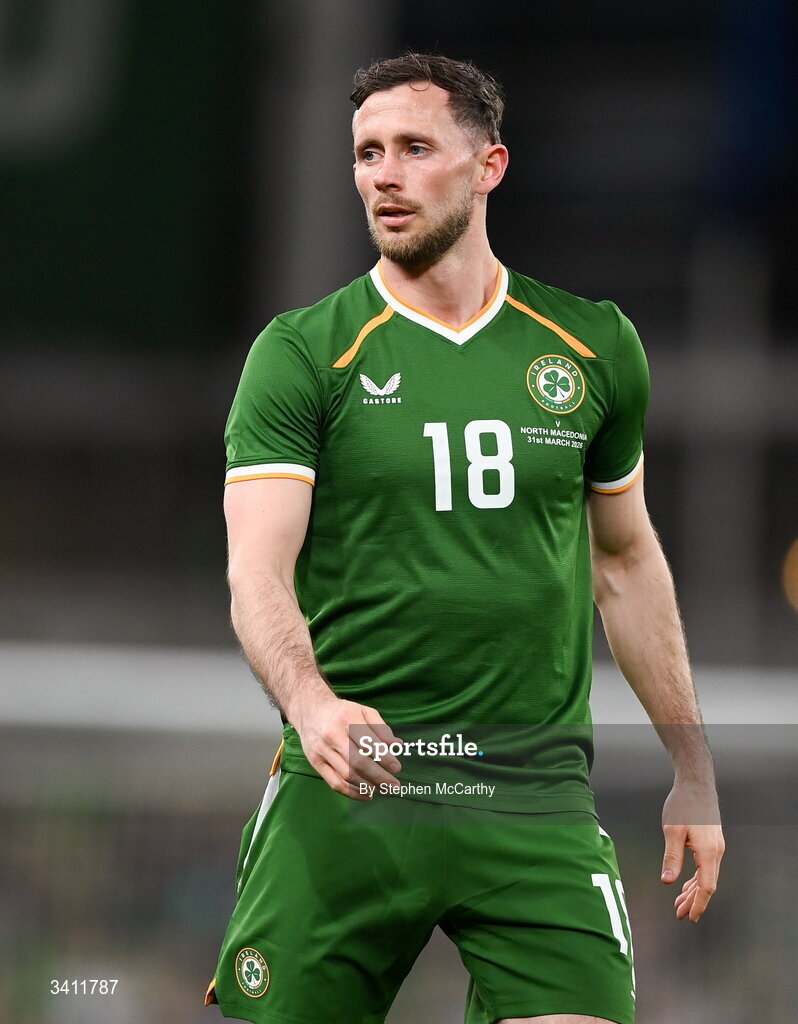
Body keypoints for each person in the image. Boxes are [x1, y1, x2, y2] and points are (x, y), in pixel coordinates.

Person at [205, 53, 724, 1024]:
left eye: (414, 148)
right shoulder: (304, 353)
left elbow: (624, 562)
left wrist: (692, 768)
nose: (383, 175)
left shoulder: (592, 346)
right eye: (367, 153)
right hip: (353, 782)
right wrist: (312, 705)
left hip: (531, 790)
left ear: (489, 166)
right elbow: (256, 569)